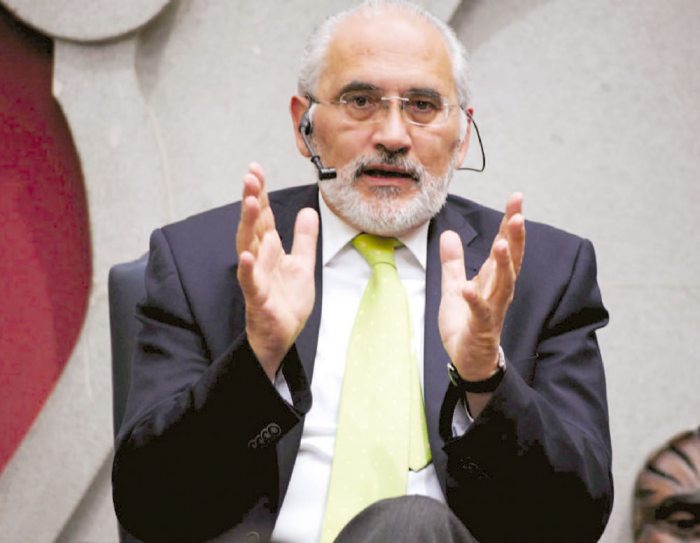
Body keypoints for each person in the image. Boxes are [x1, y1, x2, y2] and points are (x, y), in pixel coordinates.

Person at [112, 1, 613, 542]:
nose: (393, 136)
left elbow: (575, 520)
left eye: (423, 106)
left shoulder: (542, 274)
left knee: (411, 526)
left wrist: (485, 380)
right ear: (304, 125)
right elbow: (148, 506)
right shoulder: (201, 263)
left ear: (463, 135)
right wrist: (259, 358)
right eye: (360, 101)